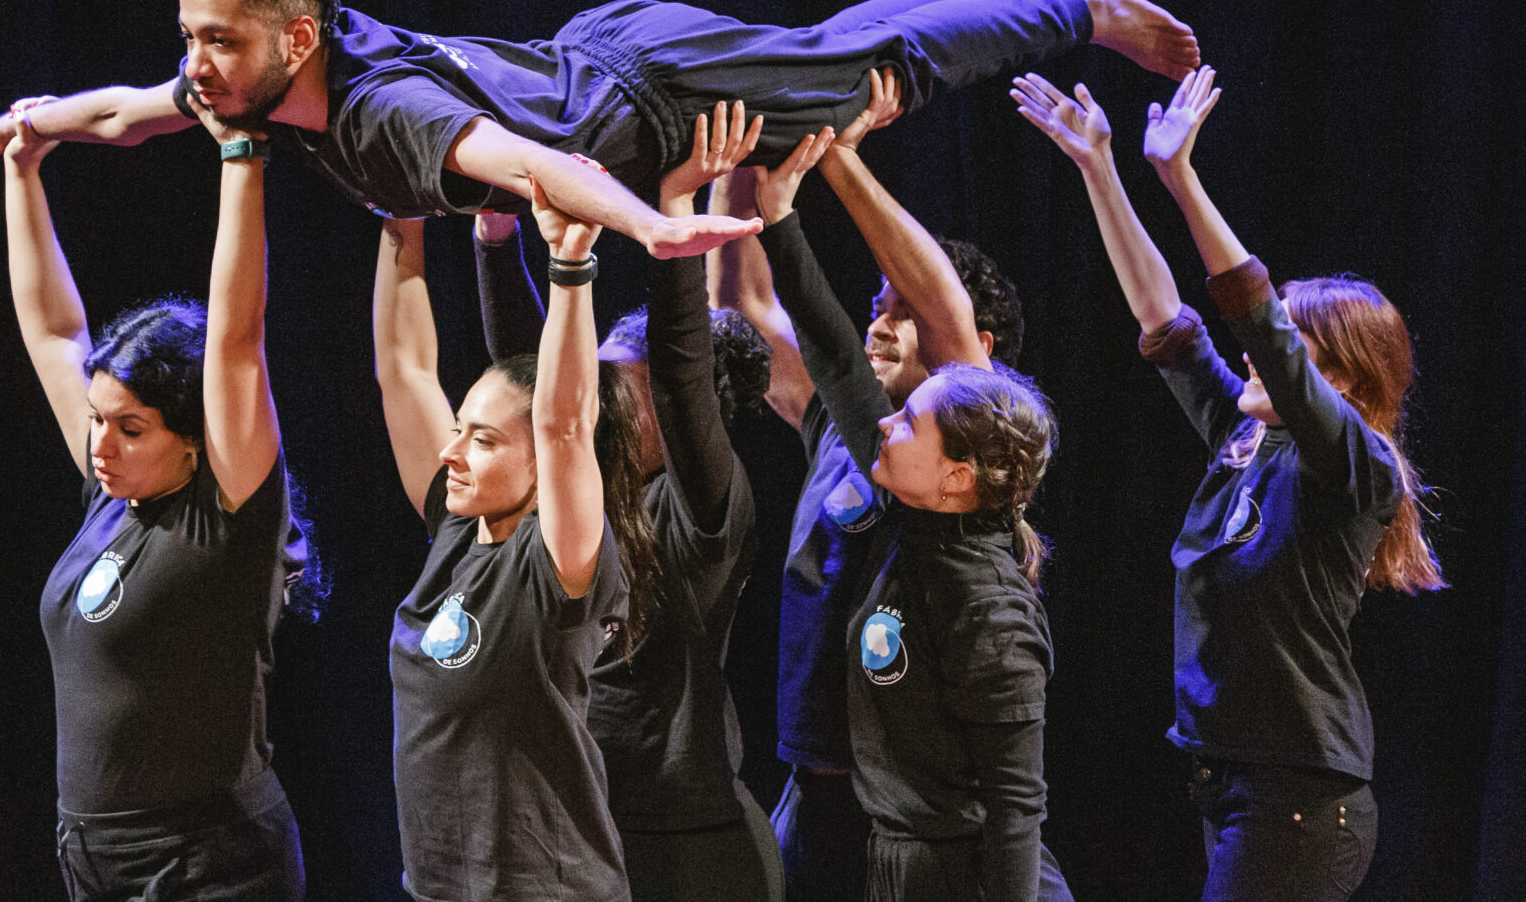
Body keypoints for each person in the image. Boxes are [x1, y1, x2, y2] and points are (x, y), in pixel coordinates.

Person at [0, 0, 1200, 260]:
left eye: (217, 42)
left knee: (867, 78)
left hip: (651, 91)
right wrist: (32, 121)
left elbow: (537, 170)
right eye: (189, 37)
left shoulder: (378, 116)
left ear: (297, 41)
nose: (194, 66)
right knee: (825, 50)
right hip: (609, 56)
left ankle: (1071, 8)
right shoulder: (256, 90)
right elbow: (126, 113)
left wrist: (650, 226)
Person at [1013, 68, 1443, 902]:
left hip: (1300, 803)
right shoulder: (1250, 437)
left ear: (1346, 386)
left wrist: (1184, 178)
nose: (1251, 352)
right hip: (1233, 787)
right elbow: (1164, 321)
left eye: (1290, 347)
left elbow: (1261, 328)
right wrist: (1099, 168)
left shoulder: (1355, 466)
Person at [6, 91, 321, 901]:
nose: (99, 443)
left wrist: (241, 158)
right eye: (99, 420)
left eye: (130, 428)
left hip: (208, 859)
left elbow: (238, 338)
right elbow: (52, 331)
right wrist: (23, 168)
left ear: (193, 435)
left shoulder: (229, 518)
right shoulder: (113, 492)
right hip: (93, 853)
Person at [750, 97, 1065, 902]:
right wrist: (771, 205)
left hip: (941, 852)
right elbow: (816, 339)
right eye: (875, 307)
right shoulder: (895, 458)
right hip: (855, 821)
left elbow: (1015, 804)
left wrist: (839, 160)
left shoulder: (988, 595)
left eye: (900, 310)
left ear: (963, 472)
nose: (878, 326)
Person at [473, 103, 788, 901]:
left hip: (694, 848)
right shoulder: (584, 479)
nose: (596, 397)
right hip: (577, 831)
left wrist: (671, 217)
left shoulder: (711, 507)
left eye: (619, 383)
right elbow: (530, 372)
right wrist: (497, 237)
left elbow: (684, 373)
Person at [373, 158, 663, 901]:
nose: (452, 450)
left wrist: (570, 265)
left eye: (484, 439)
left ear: (543, 465)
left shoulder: (560, 562)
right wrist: (398, 205)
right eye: (460, 429)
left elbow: (567, 424)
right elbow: (404, 367)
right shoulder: (456, 529)